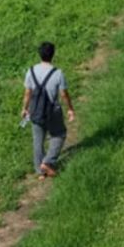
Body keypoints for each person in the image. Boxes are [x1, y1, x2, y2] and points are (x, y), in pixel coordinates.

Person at [21, 41, 76, 179]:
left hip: (35, 110)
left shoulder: (31, 71)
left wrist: (25, 109)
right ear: (53, 54)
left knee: (38, 140)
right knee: (59, 134)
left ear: (39, 54)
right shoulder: (58, 73)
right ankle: (47, 162)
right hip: (53, 111)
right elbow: (63, 94)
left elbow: (28, 93)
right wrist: (70, 109)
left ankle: (40, 172)